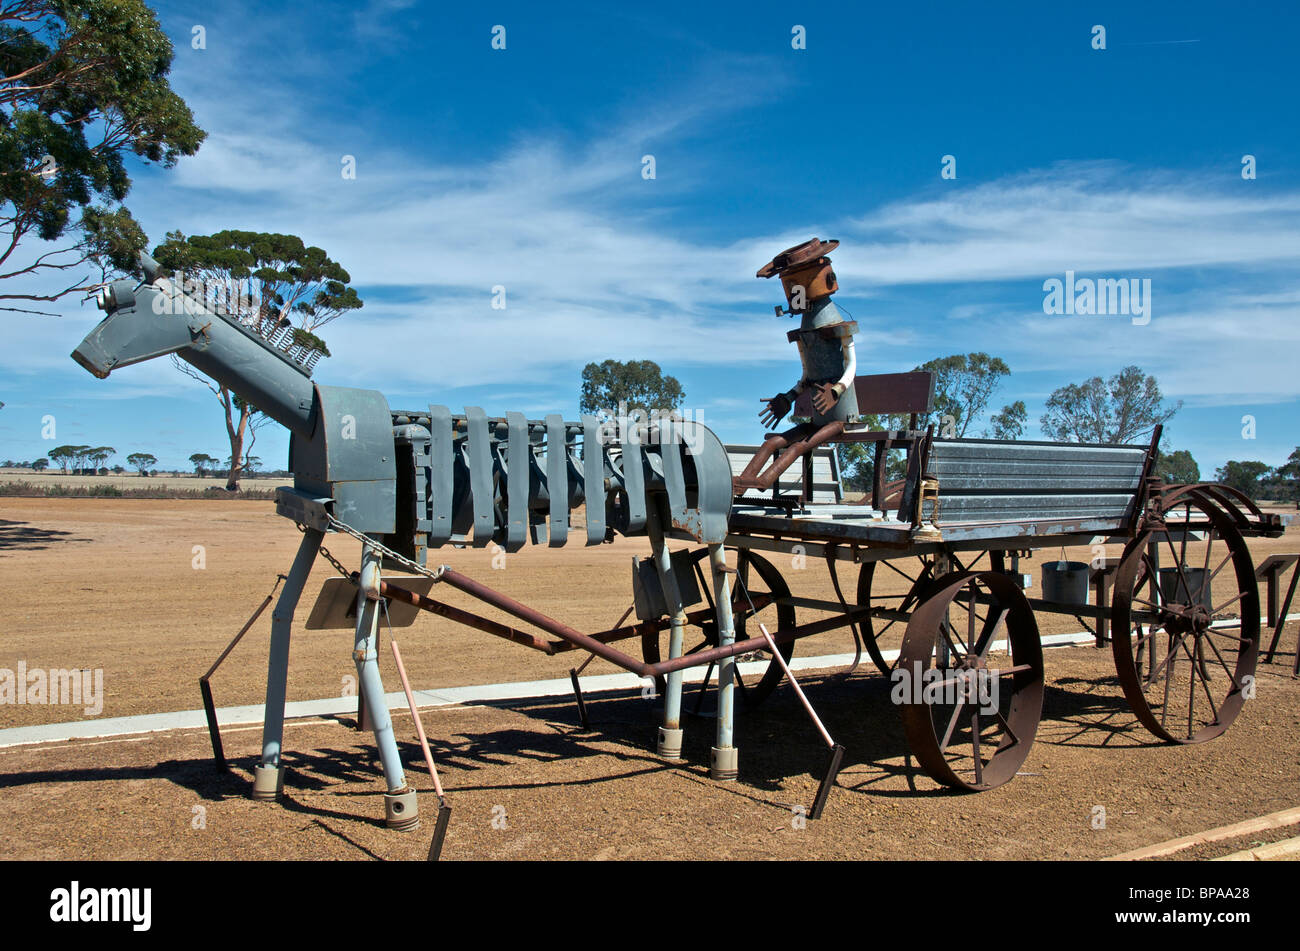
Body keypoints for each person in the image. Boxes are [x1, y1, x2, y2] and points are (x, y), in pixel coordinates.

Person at [734, 238, 861, 493]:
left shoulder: (835, 323)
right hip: (818, 417)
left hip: (843, 419)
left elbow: (851, 364)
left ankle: (763, 481)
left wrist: (836, 391)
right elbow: (806, 375)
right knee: (771, 443)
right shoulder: (804, 330)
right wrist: (790, 397)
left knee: (798, 446)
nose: (793, 290)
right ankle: (741, 482)